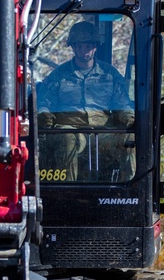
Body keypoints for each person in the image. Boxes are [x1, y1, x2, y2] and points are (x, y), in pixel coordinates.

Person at [37, 22, 135, 181]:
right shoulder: (59, 75)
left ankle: (129, 189)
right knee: (66, 137)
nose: (84, 51)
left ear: (95, 46)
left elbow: (122, 102)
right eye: (80, 46)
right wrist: (44, 115)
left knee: (129, 139)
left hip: (103, 131)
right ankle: (67, 192)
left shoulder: (109, 74)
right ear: (73, 47)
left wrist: (128, 117)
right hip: (70, 127)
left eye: (88, 46)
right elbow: (44, 103)